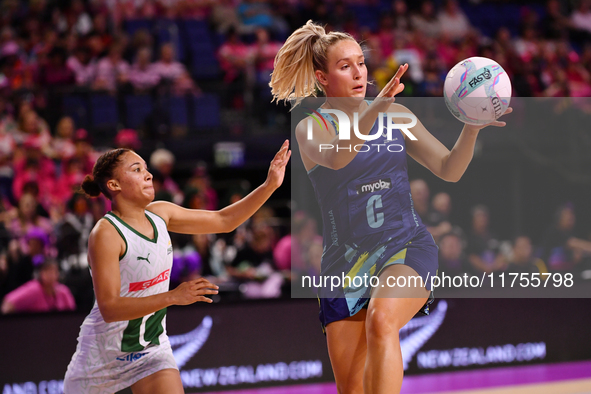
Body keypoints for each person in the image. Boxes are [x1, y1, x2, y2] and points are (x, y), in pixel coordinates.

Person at [269, 20, 511, 393]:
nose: (358, 73)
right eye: (344, 66)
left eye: (360, 63)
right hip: (344, 265)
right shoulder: (312, 127)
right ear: (322, 77)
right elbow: (338, 157)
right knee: (353, 387)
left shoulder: (396, 116)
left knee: (382, 320)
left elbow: (449, 169)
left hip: (405, 245)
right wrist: (375, 108)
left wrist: (471, 125)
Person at [63, 142, 290, 393]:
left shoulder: (162, 213)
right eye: (137, 169)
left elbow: (224, 220)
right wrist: (173, 296)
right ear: (114, 185)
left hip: (151, 350)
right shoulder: (105, 234)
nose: (148, 174)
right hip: (102, 356)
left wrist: (269, 185)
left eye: (146, 168)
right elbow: (110, 308)